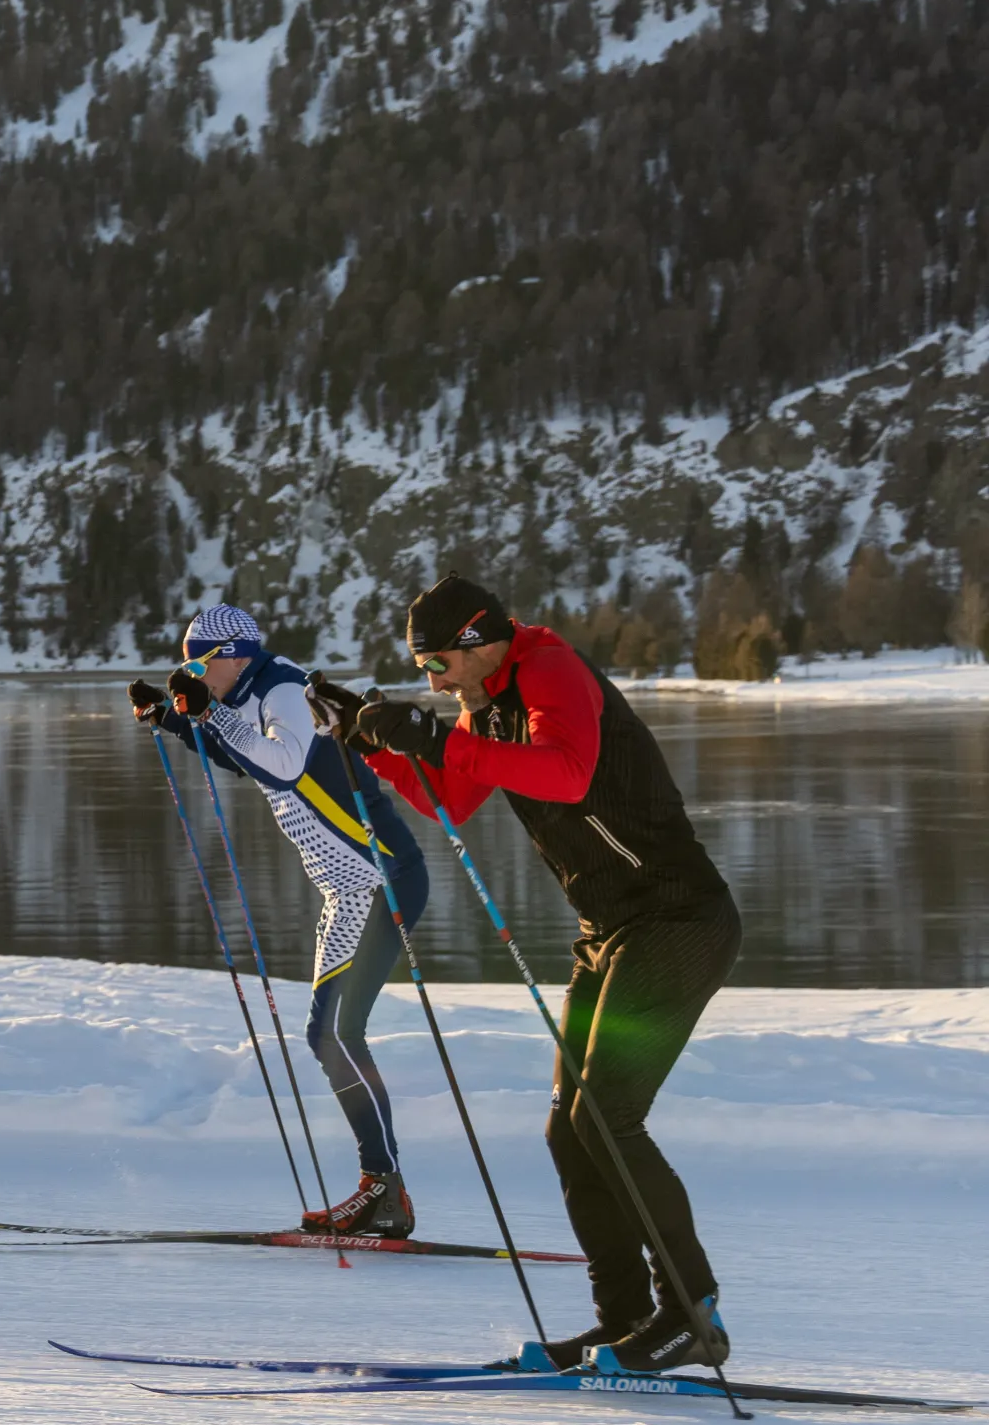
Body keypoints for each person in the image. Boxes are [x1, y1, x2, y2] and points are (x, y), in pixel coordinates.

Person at [330, 576, 740, 1372]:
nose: (435, 682)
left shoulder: (548, 668)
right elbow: (450, 795)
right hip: (611, 930)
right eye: (423, 669)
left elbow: (568, 773)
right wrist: (378, 745)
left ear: (482, 640)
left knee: (608, 1118)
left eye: (439, 662)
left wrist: (435, 733)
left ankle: (692, 1313)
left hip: (679, 921)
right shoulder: (481, 706)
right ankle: (623, 1317)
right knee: (570, 1127)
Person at [128, 602, 431, 1237]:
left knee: (335, 1037)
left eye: (196, 662)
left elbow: (286, 765)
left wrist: (205, 714)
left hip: (380, 881)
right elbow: (244, 760)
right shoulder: (247, 691)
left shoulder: (283, 689)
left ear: (232, 655)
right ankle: (383, 1187)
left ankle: (384, 1189)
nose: (192, 672)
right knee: (330, 1038)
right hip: (346, 890)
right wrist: (174, 721)